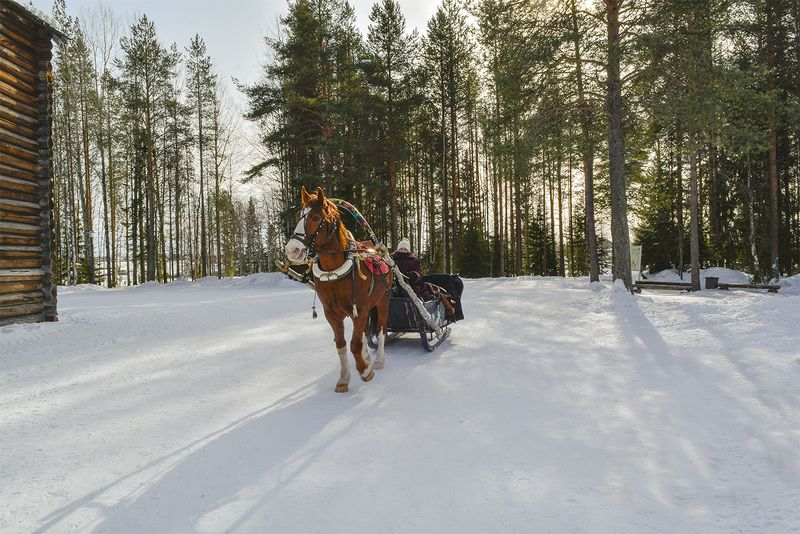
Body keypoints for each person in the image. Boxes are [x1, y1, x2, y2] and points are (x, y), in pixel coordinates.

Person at [391, 238, 455, 317]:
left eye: (405, 249)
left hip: (412, 284)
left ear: (408, 250)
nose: (403, 251)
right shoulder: (392, 259)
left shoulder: (413, 260)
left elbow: (419, 272)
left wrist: (413, 275)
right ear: (398, 249)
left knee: (413, 293)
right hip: (395, 284)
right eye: (401, 249)